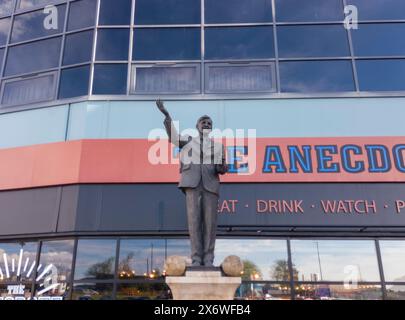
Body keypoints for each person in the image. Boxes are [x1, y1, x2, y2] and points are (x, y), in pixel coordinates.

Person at [156, 100, 228, 267]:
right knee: (194, 221)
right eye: (203, 122)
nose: (206, 124)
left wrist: (223, 167)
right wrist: (167, 116)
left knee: (210, 224)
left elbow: (222, 167)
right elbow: (173, 138)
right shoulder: (188, 141)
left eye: (209, 123)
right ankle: (196, 259)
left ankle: (208, 259)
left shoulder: (218, 147)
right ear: (197, 126)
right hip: (192, 183)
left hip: (210, 184)